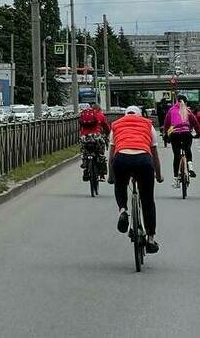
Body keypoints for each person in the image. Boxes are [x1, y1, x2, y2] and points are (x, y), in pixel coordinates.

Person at [109, 106, 163, 254]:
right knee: (148, 201)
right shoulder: (147, 124)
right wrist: (158, 175)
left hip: (122, 158)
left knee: (120, 185)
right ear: (140, 115)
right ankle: (151, 239)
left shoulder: (116, 124)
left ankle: (123, 210)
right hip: (143, 160)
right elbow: (155, 154)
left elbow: (112, 154)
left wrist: (110, 176)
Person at [162, 94, 200, 187]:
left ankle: (175, 179)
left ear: (176, 102)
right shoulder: (188, 111)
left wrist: (165, 134)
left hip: (175, 135)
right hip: (186, 134)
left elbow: (166, 124)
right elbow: (195, 122)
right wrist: (198, 132)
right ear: (185, 102)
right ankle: (190, 167)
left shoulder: (171, 110)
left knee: (176, 155)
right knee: (187, 150)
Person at [79, 103, 110, 181]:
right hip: (96, 137)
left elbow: (80, 126)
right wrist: (106, 135)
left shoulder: (85, 115)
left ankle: (85, 164)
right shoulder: (101, 115)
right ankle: (102, 174)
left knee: (84, 151)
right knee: (100, 153)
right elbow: (106, 128)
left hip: (84, 137)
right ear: (99, 109)